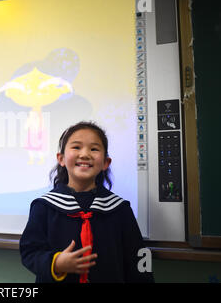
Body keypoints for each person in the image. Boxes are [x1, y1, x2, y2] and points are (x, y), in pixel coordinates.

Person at [19, 121, 154, 283]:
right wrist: (55, 263)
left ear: (105, 162)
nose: (84, 154)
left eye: (94, 149)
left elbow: (139, 258)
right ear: (61, 159)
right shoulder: (43, 206)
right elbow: (29, 251)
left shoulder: (120, 209)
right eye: (76, 147)